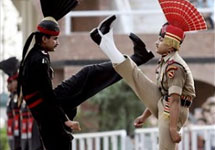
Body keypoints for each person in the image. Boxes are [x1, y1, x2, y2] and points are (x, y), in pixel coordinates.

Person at [17, 1, 154, 150]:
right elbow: (47, 96)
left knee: (91, 75)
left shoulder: (38, 55)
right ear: (44, 39)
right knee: (90, 74)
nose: (57, 43)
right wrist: (65, 119)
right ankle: (136, 58)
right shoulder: (39, 59)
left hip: (49, 110)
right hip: (50, 109)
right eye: (55, 39)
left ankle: (136, 58)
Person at [92, 0, 207, 149]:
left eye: (160, 39)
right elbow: (161, 93)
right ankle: (105, 42)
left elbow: (175, 101)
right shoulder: (165, 62)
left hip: (173, 112)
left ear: (171, 43)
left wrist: (172, 129)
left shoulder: (175, 67)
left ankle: (106, 42)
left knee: (166, 148)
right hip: (164, 103)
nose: (156, 43)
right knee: (135, 75)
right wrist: (144, 116)